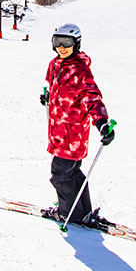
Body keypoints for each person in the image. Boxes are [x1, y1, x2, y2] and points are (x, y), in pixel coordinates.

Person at [39, 23, 115, 227]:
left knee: (60, 174)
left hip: (71, 134)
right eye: (57, 42)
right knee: (72, 172)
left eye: (67, 43)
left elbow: (92, 97)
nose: (61, 47)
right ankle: (81, 210)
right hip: (58, 132)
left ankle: (67, 214)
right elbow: (54, 85)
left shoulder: (80, 70)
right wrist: (48, 96)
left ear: (77, 44)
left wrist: (101, 122)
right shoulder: (55, 64)